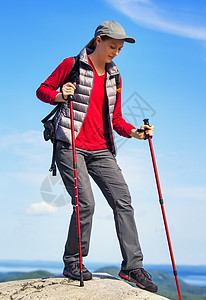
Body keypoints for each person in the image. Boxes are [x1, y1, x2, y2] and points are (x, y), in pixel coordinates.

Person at [36, 21, 157, 293]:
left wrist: (135, 133)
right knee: (86, 203)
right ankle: (73, 261)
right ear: (99, 40)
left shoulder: (115, 76)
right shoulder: (72, 65)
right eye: (112, 46)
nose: (116, 52)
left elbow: (115, 119)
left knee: (123, 201)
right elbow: (41, 90)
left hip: (101, 149)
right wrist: (58, 95)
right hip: (71, 143)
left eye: (120, 48)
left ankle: (132, 267)